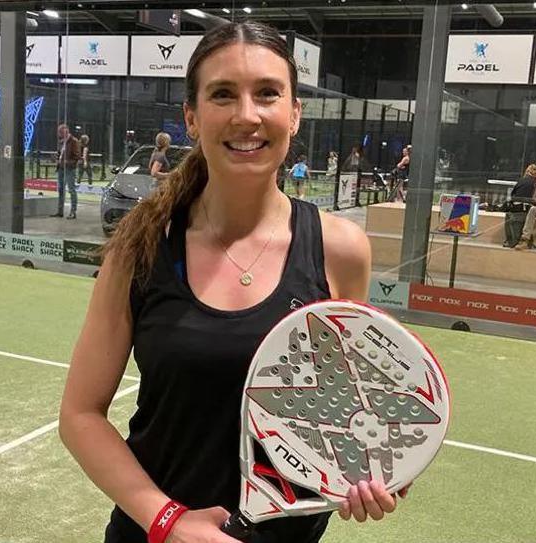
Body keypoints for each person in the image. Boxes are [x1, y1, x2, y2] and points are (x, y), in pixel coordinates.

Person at [58, 21, 406, 543]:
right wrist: (168, 521)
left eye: (268, 93)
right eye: (223, 94)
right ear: (192, 119)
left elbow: (350, 406)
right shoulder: (141, 245)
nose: (248, 115)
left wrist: (368, 475)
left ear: (294, 113)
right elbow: (80, 415)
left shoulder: (341, 249)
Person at [503, 163, 536, 248]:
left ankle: (511, 241)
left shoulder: (521, 180)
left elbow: (513, 194)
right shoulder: (535, 182)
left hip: (515, 208)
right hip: (525, 208)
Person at [53, 123, 80, 219]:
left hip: (69, 169)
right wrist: (57, 157)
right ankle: (60, 211)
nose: (59, 135)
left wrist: (67, 162)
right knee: (61, 190)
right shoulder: (61, 142)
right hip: (61, 168)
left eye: (60, 133)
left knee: (71, 190)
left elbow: (77, 156)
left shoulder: (74, 141)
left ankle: (73, 212)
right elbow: (60, 153)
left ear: (65, 132)